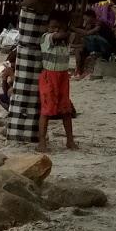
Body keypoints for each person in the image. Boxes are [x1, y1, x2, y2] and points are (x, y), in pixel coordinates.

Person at [38, 13, 78, 152]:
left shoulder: (66, 40)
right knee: (47, 111)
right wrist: (66, 29)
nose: (56, 30)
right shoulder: (46, 38)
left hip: (63, 77)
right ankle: (42, 142)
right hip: (50, 77)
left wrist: (70, 28)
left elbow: (73, 34)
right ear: (47, 27)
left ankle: (70, 140)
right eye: (53, 27)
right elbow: (60, 35)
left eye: (59, 27)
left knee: (66, 110)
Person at [76, 6, 115, 78]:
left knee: (94, 38)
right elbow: (86, 33)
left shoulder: (99, 23)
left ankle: (89, 69)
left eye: (86, 19)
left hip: (106, 47)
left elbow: (88, 33)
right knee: (79, 51)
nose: (85, 21)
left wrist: (74, 29)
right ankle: (78, 71)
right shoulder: (90, 25)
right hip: (96, 47)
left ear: (91, 17)